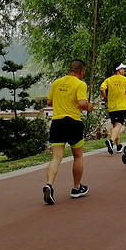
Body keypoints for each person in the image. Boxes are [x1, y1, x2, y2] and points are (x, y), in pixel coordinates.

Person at [43, 59, 94, 204]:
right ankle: (76, 188)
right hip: (73, 122)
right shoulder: (80, 84)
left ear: (69, 69)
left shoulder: (57, 82)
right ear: (82, 72)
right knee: (78, 156)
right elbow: (81, 103)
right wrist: (88, 107)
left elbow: (49, 102)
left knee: (56, 157)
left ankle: (50, 184)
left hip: (57, 122)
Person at [99, 62, 126, 154]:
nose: (124, 70)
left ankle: (118, 146)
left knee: (115, 126)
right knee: (118, 125)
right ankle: (111, 141)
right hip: (121, 106)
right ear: (119, 69)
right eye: (123, 69)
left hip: (112, 106)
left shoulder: (109, 80)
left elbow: (102, 89)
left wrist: (105, 97)